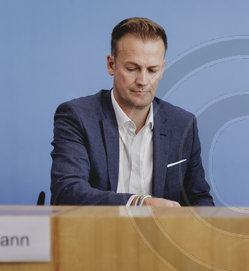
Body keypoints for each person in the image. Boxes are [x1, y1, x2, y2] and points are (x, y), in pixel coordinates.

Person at [50, 17, 214, 207]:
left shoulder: (183, 124)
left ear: (162, 69)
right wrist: (139, 203)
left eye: (152, 70)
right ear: (111, 65)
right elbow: (67, 191)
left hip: (160, 237)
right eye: (132, 68)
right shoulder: (77, 116)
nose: (143, 80)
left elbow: (199, 199)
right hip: (95, 235)